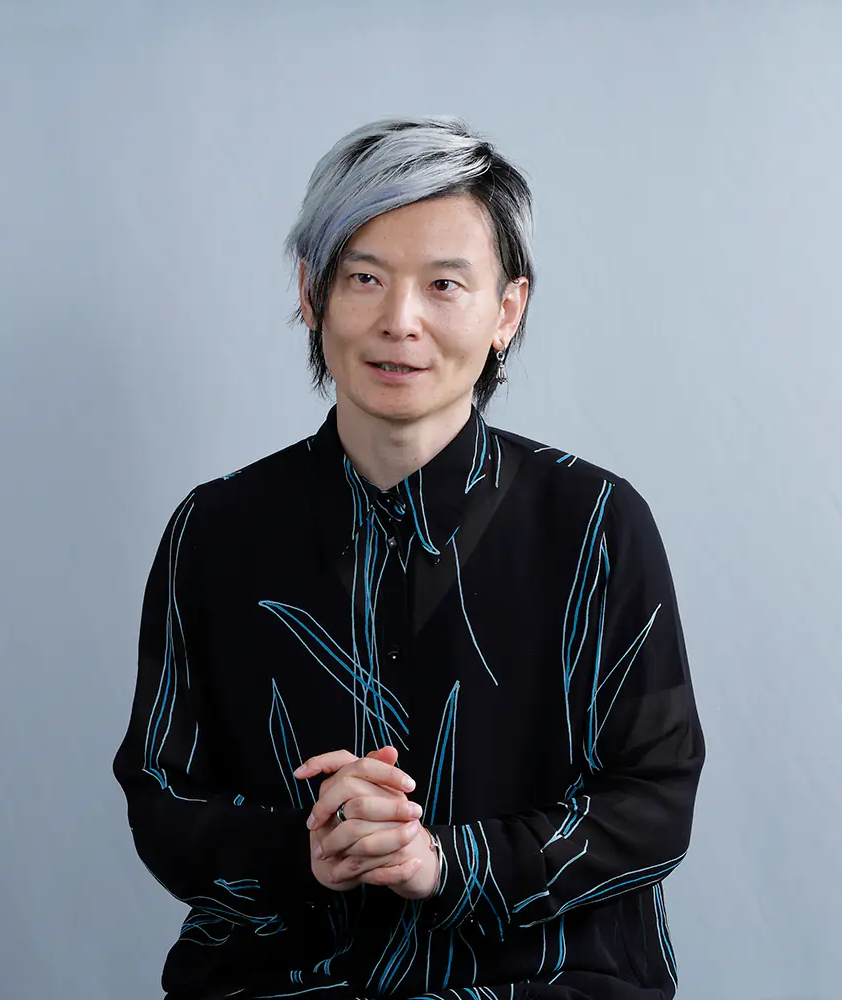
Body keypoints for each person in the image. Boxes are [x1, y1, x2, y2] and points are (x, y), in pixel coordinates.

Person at [113, 116, 706, 1000]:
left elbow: (655, 800)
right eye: (365, 278)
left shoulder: (597, 524)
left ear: (507, 311)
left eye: (444, 285)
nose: (400, 321)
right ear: (311, 293)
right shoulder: (216, 529)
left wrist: (446, 861)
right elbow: (162, 795)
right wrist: (306, 852)